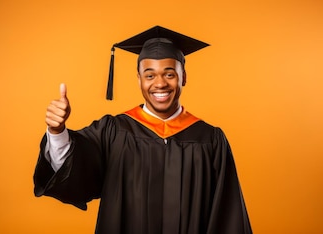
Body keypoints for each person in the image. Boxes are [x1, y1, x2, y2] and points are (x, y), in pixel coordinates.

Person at [33, 26, 252, 234]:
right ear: (139, 79)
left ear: (183, 76)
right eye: (150, 75)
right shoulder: (114, 132)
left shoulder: (210, 139)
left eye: (169, 74)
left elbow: (227, 214)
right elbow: (78, 172)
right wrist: (57, 131)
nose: (160, 83)